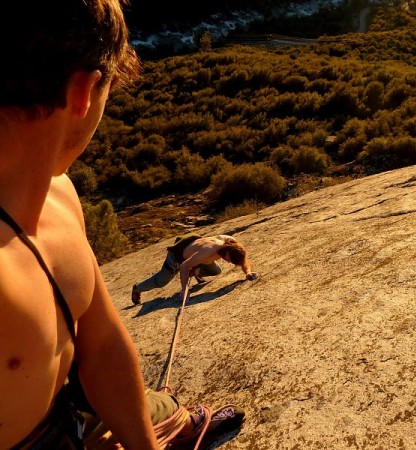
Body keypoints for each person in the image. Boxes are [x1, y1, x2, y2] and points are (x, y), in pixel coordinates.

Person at [0, 1, 243, 448]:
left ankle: (172, 421)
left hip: (70, 406)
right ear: (85, 93)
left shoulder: (59, 194)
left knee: (163, 410)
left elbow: (104, 344)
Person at [132, 234, 259, 305]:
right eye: (228, 259)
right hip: (178, 257)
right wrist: (184, 291)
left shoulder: (232, 243)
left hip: (195, 256)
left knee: (216, 271)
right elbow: (184, 266)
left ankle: (196, 271)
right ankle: (138, 288)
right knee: (161, 281)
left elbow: (243, 261)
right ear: (227, 252)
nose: (228, 262)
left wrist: (247, 272)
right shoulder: (209, 250)